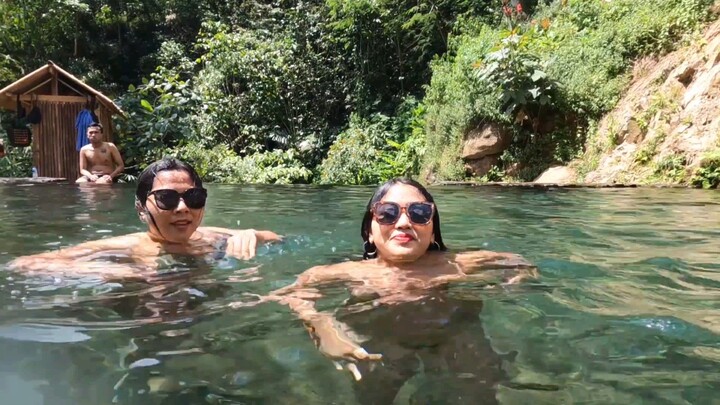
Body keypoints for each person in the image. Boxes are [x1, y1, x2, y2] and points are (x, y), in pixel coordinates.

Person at [265, 178, 537, 403]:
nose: (404, 223)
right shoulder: (349, 270)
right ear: (370, 231)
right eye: (387, 213)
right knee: (371, 395)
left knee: (480, 389)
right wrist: (322, 327)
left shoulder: (457, 262)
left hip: (454, 333)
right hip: (382, 342)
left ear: (432, 232)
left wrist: (516, 280)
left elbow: (518, 261)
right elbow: (294, 293)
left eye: (419, 213)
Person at [9, 158, 281, 277]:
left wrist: (252, 234)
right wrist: (123, 271)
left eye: (194, 197)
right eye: (167, 198)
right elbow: (25, 264)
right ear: (141, 209)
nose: (183, 208)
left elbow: (276, 238)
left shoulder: (211, 235)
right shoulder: (128, 247)